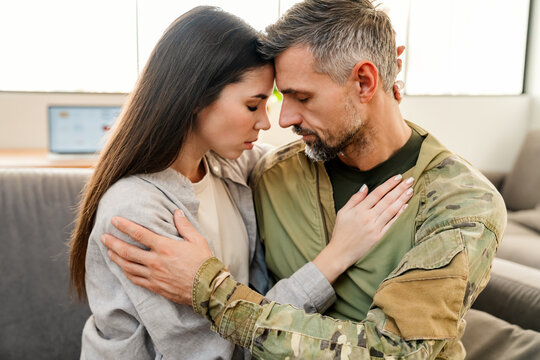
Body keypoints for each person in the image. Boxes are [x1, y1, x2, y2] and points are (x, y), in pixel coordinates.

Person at [102, 0, 507, 359]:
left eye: (303, 97)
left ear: (365, 81)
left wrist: (210, 289)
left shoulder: (464, 205)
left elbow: (394, 352)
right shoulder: (267, 174)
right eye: (275, 99)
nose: (283, 119)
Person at [69, 5, 412, 360]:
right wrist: (337, 256)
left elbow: (320, 145)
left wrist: (382, 90)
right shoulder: (135, 211)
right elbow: (220, 350)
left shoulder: (227, 165)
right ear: (196, 97)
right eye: (253, 106)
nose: (267, 122)